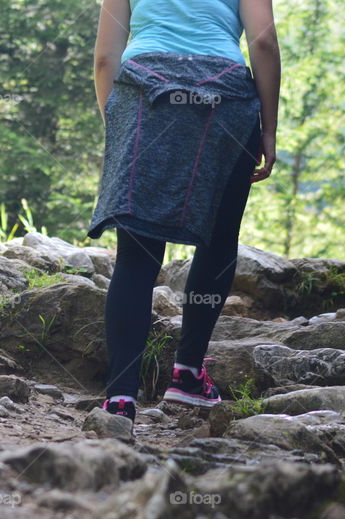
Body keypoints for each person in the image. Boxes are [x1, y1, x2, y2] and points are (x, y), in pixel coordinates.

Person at [90, 0, 280, 421]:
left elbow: (105, 58)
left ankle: (120, 399)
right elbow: (263, 42)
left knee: (136, 253)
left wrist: (119, 122)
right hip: (225, 97)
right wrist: (269, 128)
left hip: (144, 91)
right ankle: (188, 375)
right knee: (218, 239)